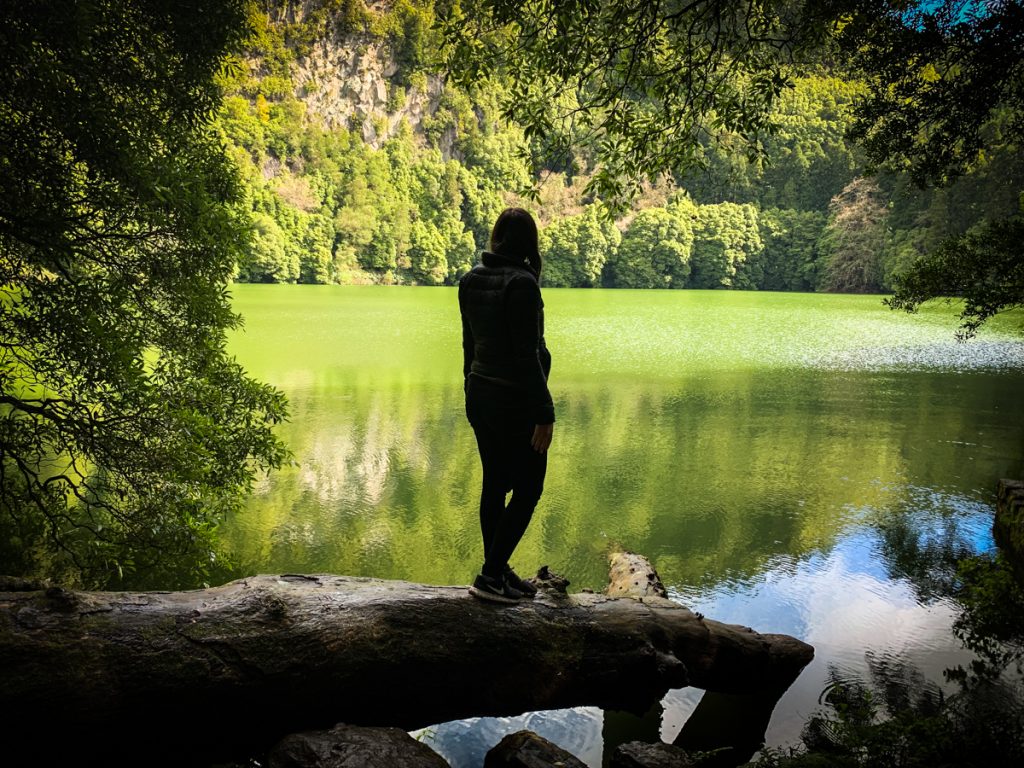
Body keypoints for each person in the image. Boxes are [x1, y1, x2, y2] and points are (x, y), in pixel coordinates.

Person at [458, 207, 554, 604]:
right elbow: (525, 356)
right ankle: (491, 575)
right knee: (529, 488)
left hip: (481, 395)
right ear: (530, 244)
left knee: (495, 483)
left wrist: (469, 388)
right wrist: (544, 414)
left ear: (497, 238)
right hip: (514, 401)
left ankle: (497, 570)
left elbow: (468, 347)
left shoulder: (470, 280)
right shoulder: (522, 284)